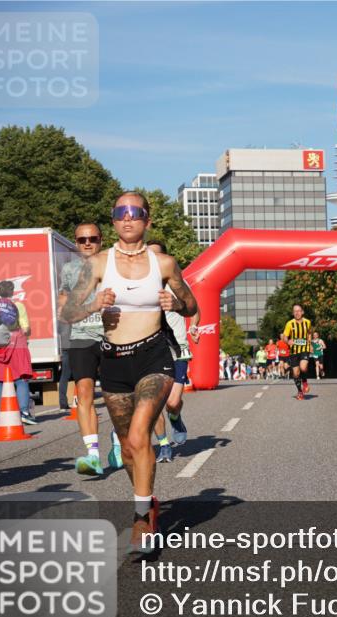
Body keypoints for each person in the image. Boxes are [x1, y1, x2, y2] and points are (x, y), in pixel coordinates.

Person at [61, 192, 198, 552]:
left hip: (154, 357)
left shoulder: (163, 263)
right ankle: (148, 501)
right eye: (120, 212)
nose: (127, 217)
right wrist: (95, 303)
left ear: (147, 220)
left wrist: (176, 303)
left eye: (134, 212)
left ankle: (140, 518)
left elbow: (191, 305)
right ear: (113, 220)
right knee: (127, 449)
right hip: (114, 362)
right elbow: (68, 313)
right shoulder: (99, 264)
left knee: (139, 436)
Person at [59, 223, 116, 475]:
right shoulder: (69, 270)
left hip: (113, 335)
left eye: (92, 238)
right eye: (82, 240)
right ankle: (92, 455)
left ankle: (118, 441)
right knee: (84, 393)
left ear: (101, 239)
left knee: (117, 396)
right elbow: (63, 305)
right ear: (76, 243)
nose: (88, 243)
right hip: (81, 337)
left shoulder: (113, 264)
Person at [149, 241, 201, 463]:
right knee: (153, 402)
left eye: (156, 256)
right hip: (151, 349)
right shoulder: (138, 284)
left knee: (171, 402)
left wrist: (194, 326)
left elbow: (194, 309)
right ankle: (163, 445)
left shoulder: (176, 282)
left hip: (177, 347)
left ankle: (175, 417)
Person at [0, 280, 36, 424]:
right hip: (16, 345)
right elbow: (25, 328)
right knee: (21, 379)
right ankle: (24, 412)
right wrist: (26, 334)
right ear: (12, 291)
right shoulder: (18, 306)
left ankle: (1, 414)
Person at [282, 304, 313, 400]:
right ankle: (300, 391)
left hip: (304, 349)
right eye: (295, 311)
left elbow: (309, 333)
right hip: (294, 351)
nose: (297, 313)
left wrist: (310, 344)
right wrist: (288, 341)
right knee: (296, 373)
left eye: (299, 311)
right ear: (293, 313)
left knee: (303, 367)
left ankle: (305, 382)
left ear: (302, 312)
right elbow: (285, 336)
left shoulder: (307, 322)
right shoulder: (289, 324)